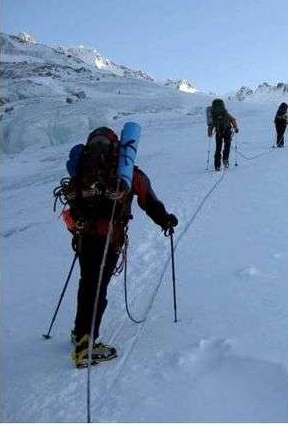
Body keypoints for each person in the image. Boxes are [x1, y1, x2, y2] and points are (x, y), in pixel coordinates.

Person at [59, 126, 178, 368]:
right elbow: (148, 200)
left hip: (83, 234)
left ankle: (80, 332)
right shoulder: (127, 173)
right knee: (97, 287)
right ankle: (85, 346)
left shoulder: (82, 168)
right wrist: (165, 220)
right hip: (109, 238)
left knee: (88, 282)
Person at [207, 99, 239, 170]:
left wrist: (210, 132)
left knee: (218, 148)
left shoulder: (214, 115)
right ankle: (225, 160)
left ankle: (217, 165)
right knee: (227, 145)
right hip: (227, 131)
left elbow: (211, 125)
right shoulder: (226, 114)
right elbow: (233, 120)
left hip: (218, 132)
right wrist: (235, 128)